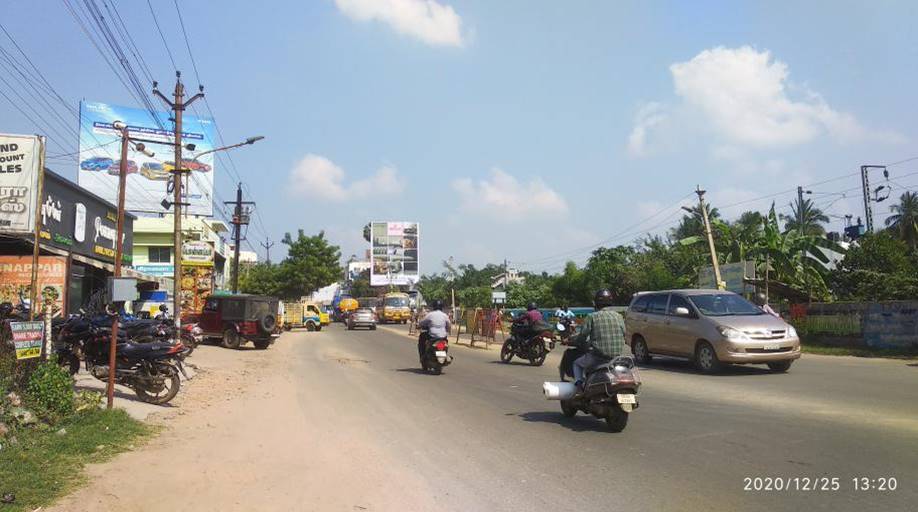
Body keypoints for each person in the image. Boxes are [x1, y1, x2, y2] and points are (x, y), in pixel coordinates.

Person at [571, 289, 626, 388]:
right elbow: (624, 333)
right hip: (616, 358)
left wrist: (576, 342)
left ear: (596, 303)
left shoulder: (592, 316)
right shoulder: (619, 316)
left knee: (577, 364)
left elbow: (582, 336)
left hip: (598, 357)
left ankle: (579, 387)